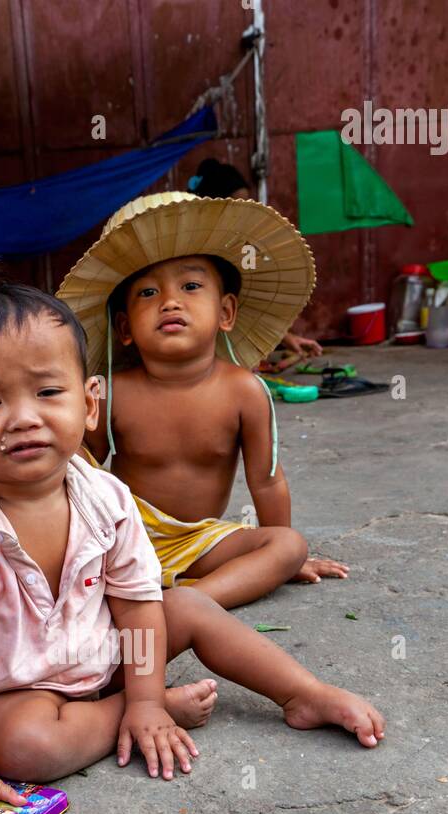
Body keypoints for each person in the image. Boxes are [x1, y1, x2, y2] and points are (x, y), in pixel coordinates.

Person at [0, 268, 384, 814]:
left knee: (183, 606)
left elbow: (136, 609)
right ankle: (149, 709)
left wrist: (138, 693)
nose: (24, 417)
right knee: (21, 747)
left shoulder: (107, 497)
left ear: (89, 405)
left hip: (108, 653)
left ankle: (302, 694)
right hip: (20, 687)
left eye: (48, 392)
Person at [57, 191, 349, 608]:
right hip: (122, 538)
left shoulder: (244, 391)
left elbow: (266, 480)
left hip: (200, 542)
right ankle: (141, 587)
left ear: (226, 312)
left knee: (288, 546)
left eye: (191, 286)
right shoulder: (112, 392)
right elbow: (83, 472)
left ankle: (182, 602)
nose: (170, 301)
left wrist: (281, 558)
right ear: (124, 327)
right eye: (147, 294)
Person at [188, 157, 323, 360]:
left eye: (247, 203)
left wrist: (286, 337)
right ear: (213, 207)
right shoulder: (192, 247)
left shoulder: (244, 247)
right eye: (235, 205)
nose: (244, 212)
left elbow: (249, 302)